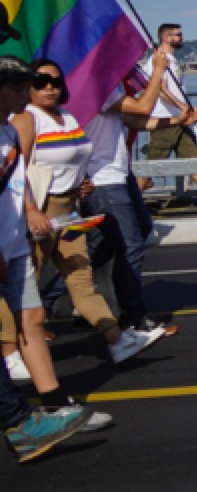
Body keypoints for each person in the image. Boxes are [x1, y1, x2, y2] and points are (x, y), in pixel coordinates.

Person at [15, 61, 165, 365]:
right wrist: (30, 210)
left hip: (68, 209)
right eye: (41, 81)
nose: (49, 87)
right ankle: (12, 351)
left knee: (82, 279)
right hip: (41, 210)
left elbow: (78, 156)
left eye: (55, 82)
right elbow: (18, 169)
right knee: (22, 285)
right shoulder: (28, 119)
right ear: (28, 86)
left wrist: (81, 183)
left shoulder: (66, 116)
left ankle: (117, 340)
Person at [0, 61, 114, 445]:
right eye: (17, 89)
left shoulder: (9, 132)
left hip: (14, 244)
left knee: (32, 318)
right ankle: (21, 420)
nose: (24, 95)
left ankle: (55, 402)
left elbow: (18, 185)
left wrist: (28, 215)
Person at [82, 43, 180, 345]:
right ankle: (134, 317)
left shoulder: (107, 91)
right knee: (130, 244)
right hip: (104, 179)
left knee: (103, 246)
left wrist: (177, 120)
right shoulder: (96, 88)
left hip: (119, 175)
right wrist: (158, 73)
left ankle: (51, 300)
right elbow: (141, 108)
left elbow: (135, 120)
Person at [141, 23, 197, 211]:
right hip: (166, 119)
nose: (181, 37)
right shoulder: (159, 60)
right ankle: (136, 199)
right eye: (177, 35)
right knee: (154, 161)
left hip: (180, 118)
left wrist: (185, 110)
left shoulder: (171, 60)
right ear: (166, 37)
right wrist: (182, 107)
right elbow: (160, 91)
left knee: (191, 155)